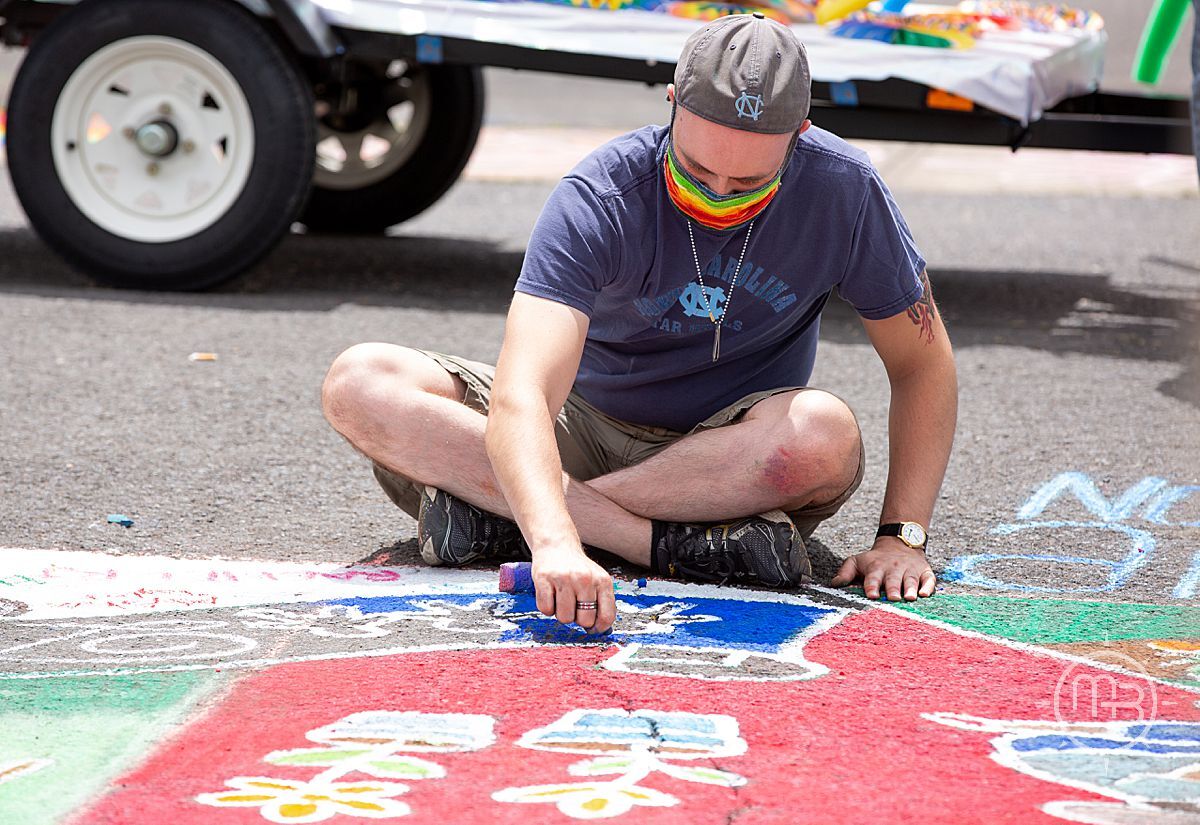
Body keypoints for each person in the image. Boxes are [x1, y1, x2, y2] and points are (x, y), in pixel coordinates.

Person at [322, 13, 958, 635]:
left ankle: (507, 515)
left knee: (823, 435)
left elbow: (922, 363)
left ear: (802, 133)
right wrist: (554, 544)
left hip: (728, 454)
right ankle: (658, 542)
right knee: (363, 381)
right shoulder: (602, 191)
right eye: (700, 169)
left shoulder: (844, 188)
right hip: (583, 424)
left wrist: (902, 537)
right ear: (673, 102)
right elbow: (525, 392)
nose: (720, 194)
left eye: (750, 181)